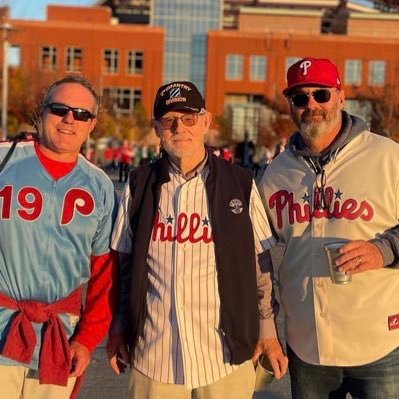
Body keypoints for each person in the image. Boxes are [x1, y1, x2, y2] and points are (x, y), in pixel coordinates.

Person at [106, 81, 288, 398]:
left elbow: (259, 265)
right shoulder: (139, 185)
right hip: (154, 354)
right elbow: (124, 266)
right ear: (156, 128)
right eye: (169, 120)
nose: (179, 128)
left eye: (189, 118)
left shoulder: (240, 183)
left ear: (206, 121)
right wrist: (120, 326)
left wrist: (268, 332)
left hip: (224, 353)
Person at [258, 57, 399, 398]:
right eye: (300, 98)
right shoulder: (276, 173)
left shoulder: (386, 156)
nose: (311, 106)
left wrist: (382, 251)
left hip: (377, 342)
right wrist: (265, 327)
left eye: (321, 94)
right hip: (308, 347)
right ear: (290, 105)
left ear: (340, 97)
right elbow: (257, 253)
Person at [0, 75, 118, 399]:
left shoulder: (101, 187)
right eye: (60, 109)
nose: (69, 119)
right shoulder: (5, 162)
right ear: (42, 112)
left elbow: (104, 275)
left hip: (58, 337)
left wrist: (87, 338)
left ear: (92, 124)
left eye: (81, 114)